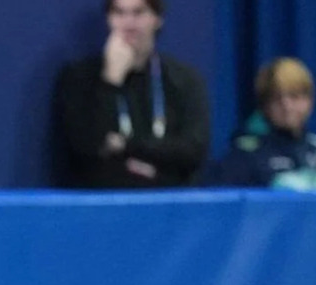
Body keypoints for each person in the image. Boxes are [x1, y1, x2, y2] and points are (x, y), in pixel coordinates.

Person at [53, 0, 210, 188]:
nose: (128, 24)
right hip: (107, 198)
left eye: (138, 13)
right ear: (108, 19)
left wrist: (125, 146)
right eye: (119, 13)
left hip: (170, 197)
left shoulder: (183, 79)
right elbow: (86, 148)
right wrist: (111, 82)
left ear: (157, 19)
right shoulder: (79, 78)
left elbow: (192, 150)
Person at [206, 58, 316, 190]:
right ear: (264, 106)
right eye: (277, 99)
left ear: (310, 101)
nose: (287, 107)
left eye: (294, 97)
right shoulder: (245, 155)